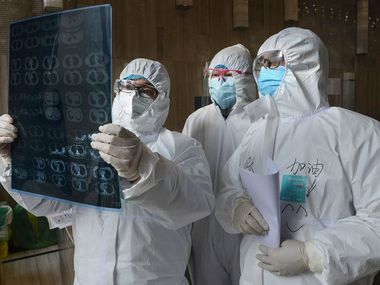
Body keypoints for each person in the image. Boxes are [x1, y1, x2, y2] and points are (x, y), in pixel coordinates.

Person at [0, 58, 215, 285]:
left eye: (145, 90)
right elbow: (50, 204)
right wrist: (14, 160)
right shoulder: (86, 144)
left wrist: (142, 166)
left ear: (162, 98)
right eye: (126, 87)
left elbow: (195, 205)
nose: (133, 95)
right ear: (116, 90)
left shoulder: (182, 147)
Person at [215, 27, 380, 285]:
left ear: (305, 65)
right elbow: (228, 185)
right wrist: (237, 206)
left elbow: (376, 220)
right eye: (261, 64)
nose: (265, 72)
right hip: (253, 272)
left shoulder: (357, 133)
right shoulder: (257, 131)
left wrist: (313, 255)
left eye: (274, 63)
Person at [182, 44, 259, 285]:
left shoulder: (261, 120)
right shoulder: (197, 120)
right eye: (215, 75)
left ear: (245, 78)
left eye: (227, 75)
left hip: (247, 228)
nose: (219, 81)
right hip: (203, 229)